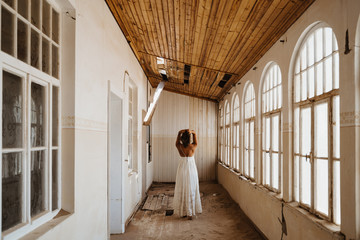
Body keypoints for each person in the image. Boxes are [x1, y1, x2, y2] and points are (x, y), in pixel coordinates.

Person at [173, 129, 202, 220]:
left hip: (182, 169)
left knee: (182, 188)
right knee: (191, 189)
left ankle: (182, 212)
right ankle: (190, 213)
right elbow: (196, 140)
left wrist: (179, 132)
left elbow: (177, 141)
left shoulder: (179, 146)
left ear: (182, 139)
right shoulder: (193, 147)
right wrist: (193, 132)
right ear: (189, 139)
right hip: (191, 169)